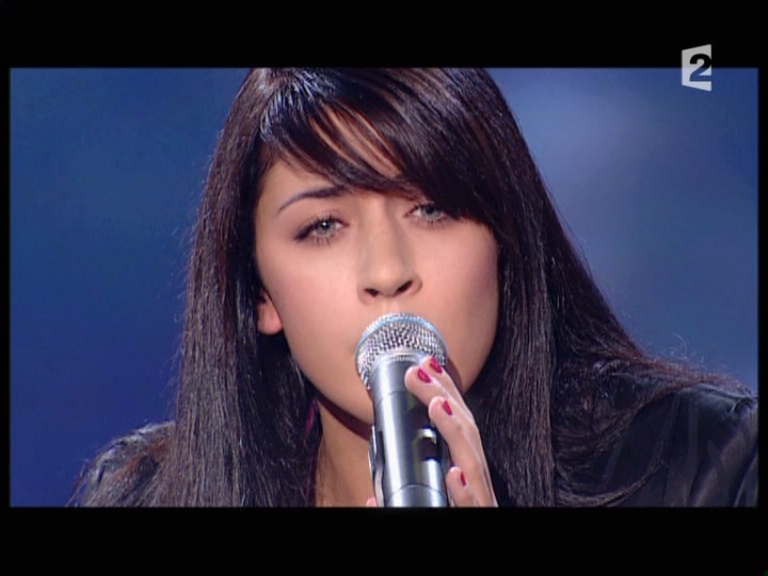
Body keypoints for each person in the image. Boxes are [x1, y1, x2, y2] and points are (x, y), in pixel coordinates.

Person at [69, 68, 757, 507]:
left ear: (506, 240)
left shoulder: (706, 466)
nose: (387, 272)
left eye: (432, 210)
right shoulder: (141, 497)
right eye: (323, 227)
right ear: (260, 295)